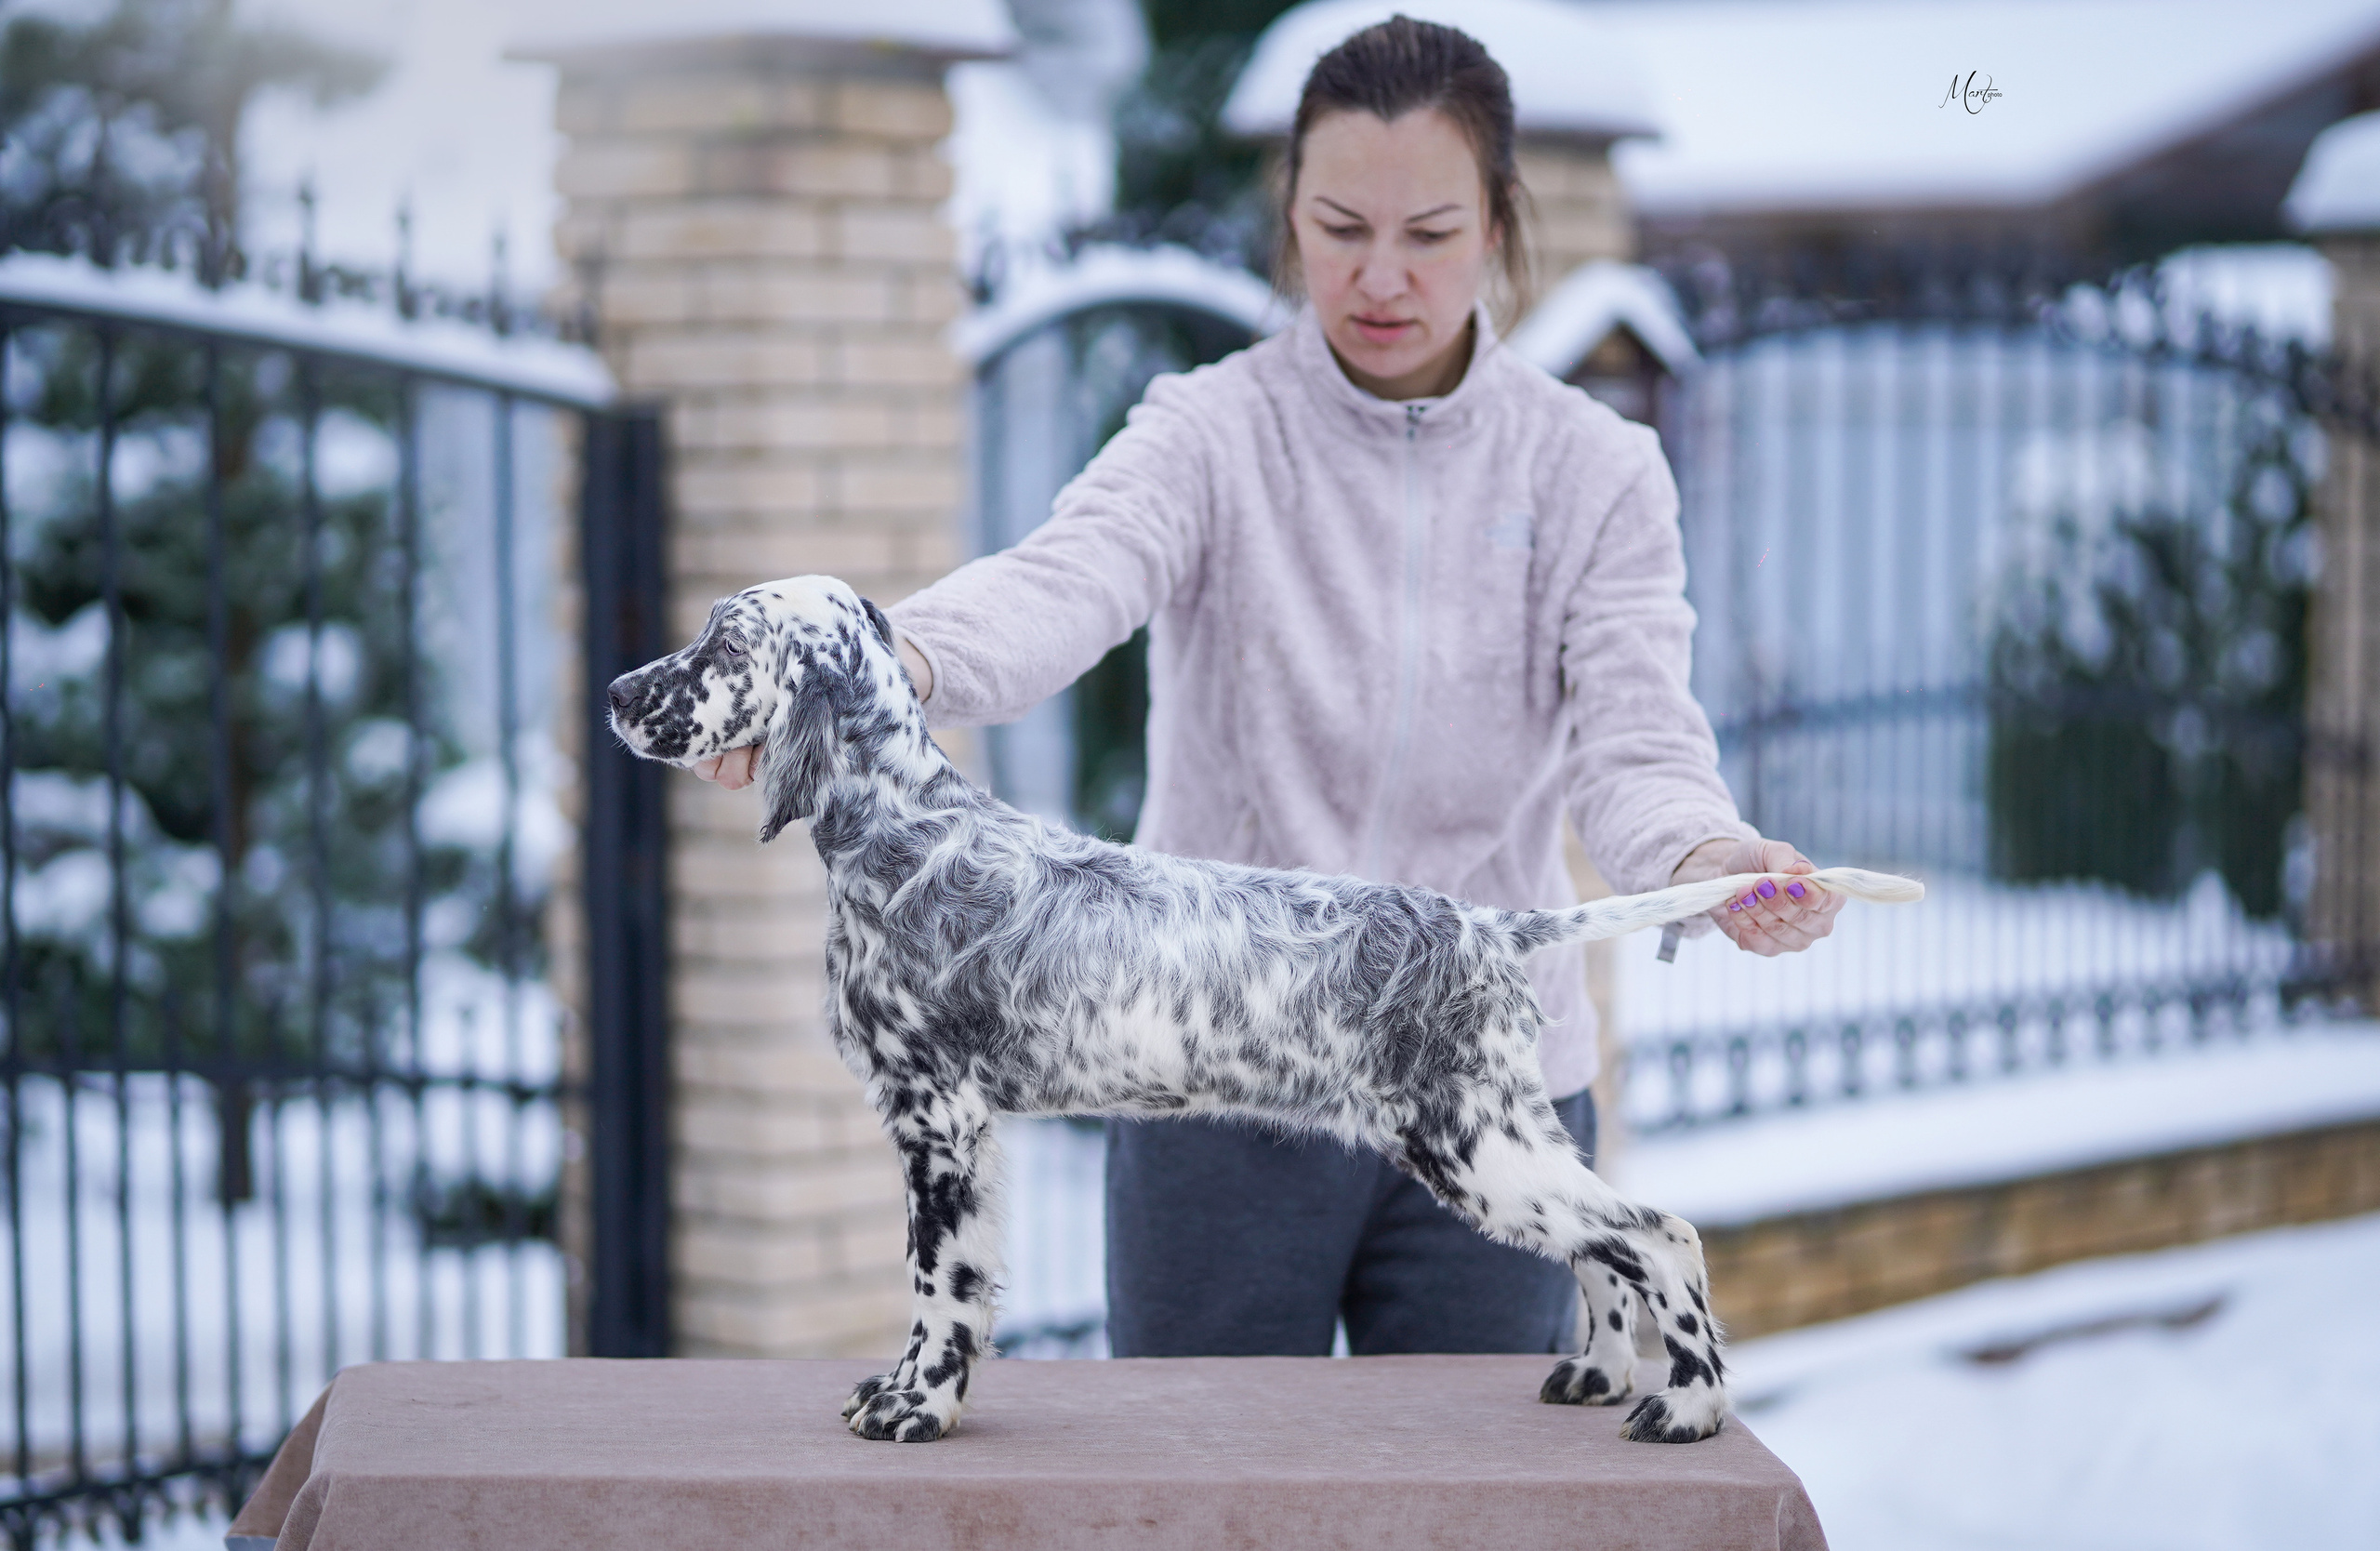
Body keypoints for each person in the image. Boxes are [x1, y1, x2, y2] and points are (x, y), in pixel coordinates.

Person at [692, 16, 1843, 1359]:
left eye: (1429, 233)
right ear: (1286, 211)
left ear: (1499, 222)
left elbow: (1637, 738)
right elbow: (1065, 581)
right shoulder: (1209, 430)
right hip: (1215, 1088)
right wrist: (885, 666)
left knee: (1465, 1500)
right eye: (1340, 224)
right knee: (1201, 1489)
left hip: (1479, 1057)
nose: (1380, 275)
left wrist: (1709, 850)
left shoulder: (1594, 470)